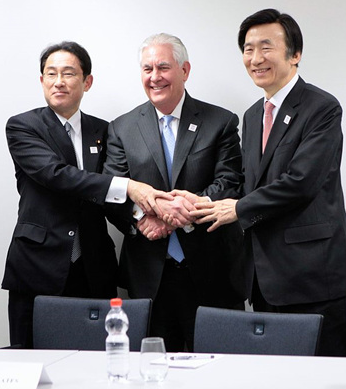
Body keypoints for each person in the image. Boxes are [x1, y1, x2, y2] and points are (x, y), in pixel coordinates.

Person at [191, 9, 346, 357]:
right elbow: (248, 183)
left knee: (325, 377)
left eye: (266, 47)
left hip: (313, 278)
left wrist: (237, 208)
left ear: (295, 54)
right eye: (248, 49)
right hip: (263, 279)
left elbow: (300, 182)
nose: (255, 58)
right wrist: (198, 203)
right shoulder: (252, 115)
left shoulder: (322, 108)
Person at [2, 41, 164, 349]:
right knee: (31, 357)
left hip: (94, 267)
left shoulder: (105, 131)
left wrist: (141, 217)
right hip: (38, 264)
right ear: (41, 81)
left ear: (87, 81)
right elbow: (57, 176)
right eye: (51, 74)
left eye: (68, 73)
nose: (58, 81)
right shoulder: (23, 126)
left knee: (98, 360)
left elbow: (106, 197)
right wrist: (129, 187)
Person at [103, 33, 251, 352]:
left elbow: (229, 181)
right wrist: (141, 216)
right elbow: (113, 189)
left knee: (222, 368)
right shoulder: (121, 128)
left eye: (163, 67)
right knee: (154, 369)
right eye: (147, 69)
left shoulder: (220, 121)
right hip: (149, 276)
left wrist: (175, 218)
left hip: (213, 270)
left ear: (184, 70)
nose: (155, 77)